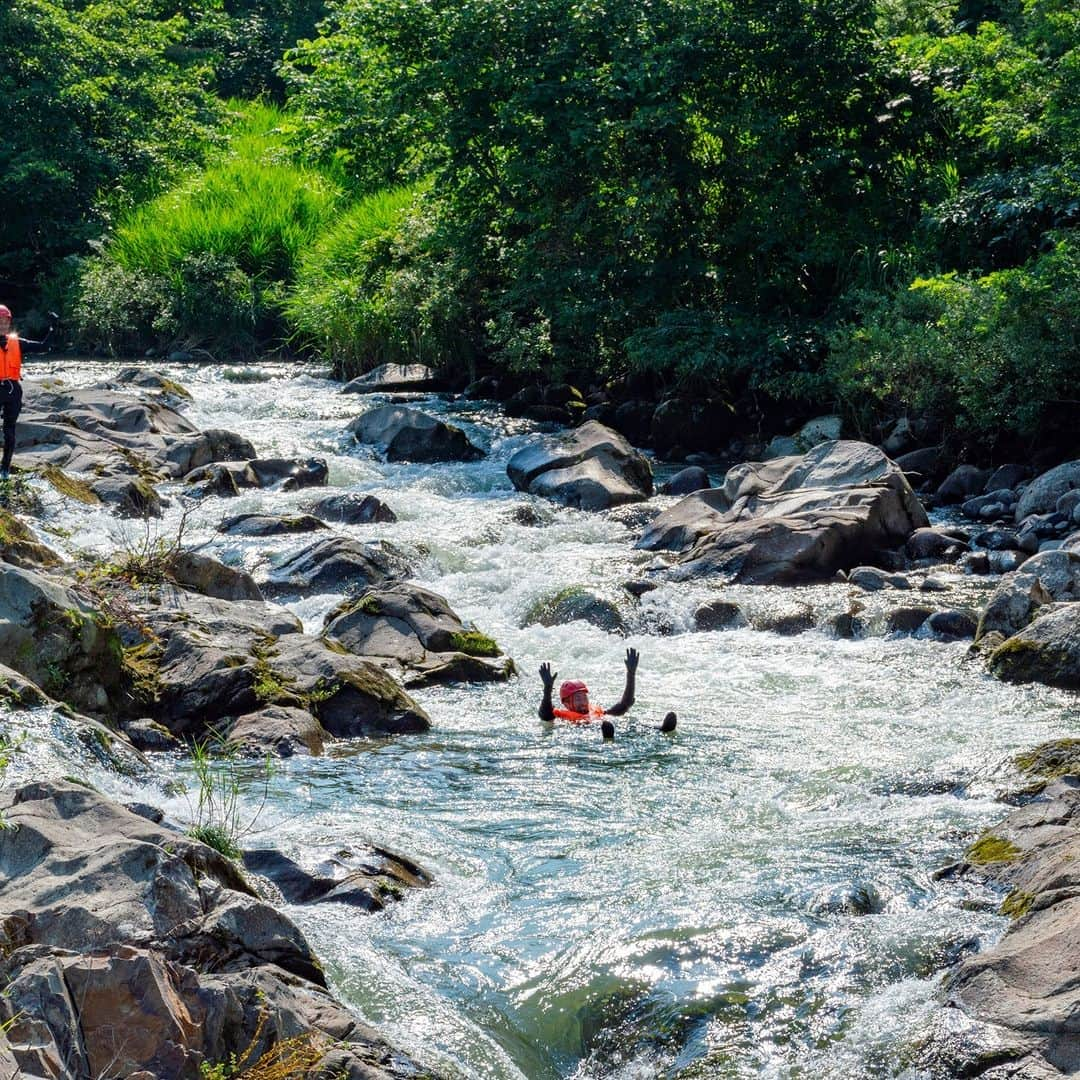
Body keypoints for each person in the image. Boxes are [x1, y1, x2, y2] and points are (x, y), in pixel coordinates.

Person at [538, 648, 677, 737]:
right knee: (606, 727)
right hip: (588, 733)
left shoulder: (596, 711)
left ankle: (662, 728)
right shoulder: (561, 715)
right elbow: (545, 714)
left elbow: (624, 705)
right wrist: (548, 689)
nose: (583, 702)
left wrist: (631, 673)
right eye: (578, 699)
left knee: (630, 725)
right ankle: (607, 737)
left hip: (608, 727)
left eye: (584, 697)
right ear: (567, 704)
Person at [0, 304, 53, 480]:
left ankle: (5, 470)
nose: (2, 324)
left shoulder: (17, 342)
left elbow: (44, 347)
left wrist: (53, 327)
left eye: (5, 321)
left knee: (9, 431)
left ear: (9, 323)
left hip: (13, 391)